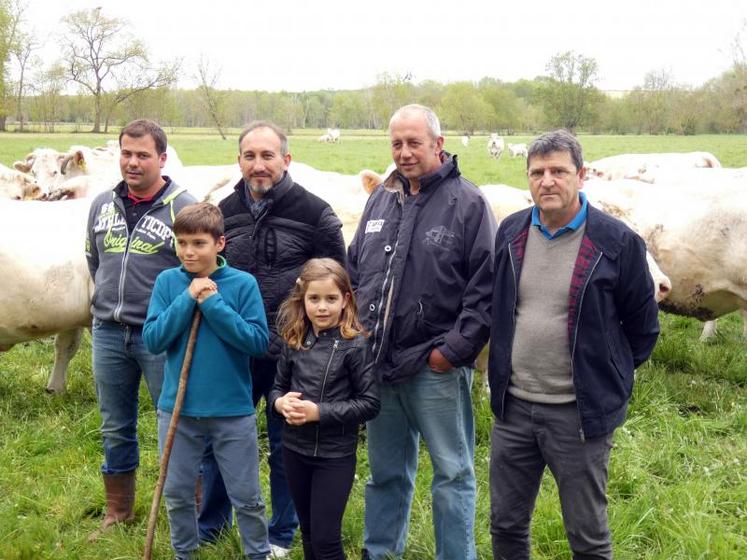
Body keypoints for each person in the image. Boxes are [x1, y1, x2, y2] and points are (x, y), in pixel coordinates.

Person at [487, 130, 660, 559]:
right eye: (537, 172)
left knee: (587, 536)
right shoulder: (511, 232)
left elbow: (643, 327)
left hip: (577, 415)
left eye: (559, 171)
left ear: (581, 175)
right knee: (506, 526)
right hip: (514, 410)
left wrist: (606, 373)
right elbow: (502, 308)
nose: (547, 181)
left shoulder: (616, 242)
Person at [348, 104, 496, 560]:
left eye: (415, 143)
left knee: (452, 472)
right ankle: (381, 552)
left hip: (435, 367)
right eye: (397, 144)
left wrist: (451, 351)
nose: (405, 153)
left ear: (438, 144)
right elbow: (356, 267)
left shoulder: (468, 204)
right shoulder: (380, 198)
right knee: (385, 471)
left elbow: (485, 287)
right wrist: (357, 334)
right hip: (379, 362)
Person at [200, 120, 347, 556]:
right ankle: (212, 523)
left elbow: (339, 281)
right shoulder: (223, 212)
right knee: (220, 437)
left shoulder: (315, 213)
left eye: (268, 156)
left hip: (293, 350)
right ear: (239, 160)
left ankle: (281, 531)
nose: (258, 165)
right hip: (235, 348)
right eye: (250, 156)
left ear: (286, 159)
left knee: (288, 443)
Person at [85, 119, 196, 539]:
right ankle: (118, 510)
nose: (133, 162)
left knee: (176, 420)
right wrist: (106, 307)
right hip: (109, 332)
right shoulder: (101, 205)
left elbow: (196, 270)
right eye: (126, 153)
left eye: (143, 155)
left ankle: (187, 511)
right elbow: (94, 262)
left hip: (161, 335)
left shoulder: (183, 207)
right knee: (115, 423)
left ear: (162, 159)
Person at [143, 203, 271, 560]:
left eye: (198, 243)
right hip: (178, 411)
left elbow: (257, 342)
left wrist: (213, 304)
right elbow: (153, 339)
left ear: (220, 243)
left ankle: (256, 553)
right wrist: (186, 299)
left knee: (246, 496)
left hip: (232, 411)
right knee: (178, 492)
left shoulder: (243, 284)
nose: (188, 251)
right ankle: (185, 553)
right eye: (181, 242)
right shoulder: (168, 283)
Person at [268, 258, 380, 560]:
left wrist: (319, 413)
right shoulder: (294, 340)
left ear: (345, 300)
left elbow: (370, 403)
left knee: (325, 539)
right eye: (314, 299)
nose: (322, 307)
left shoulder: (355, 346)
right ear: (302, 300)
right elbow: (276, 388)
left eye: (331, 299)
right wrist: (280, 403)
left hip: (334, 456)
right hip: (294, 450)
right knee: (307, 533)